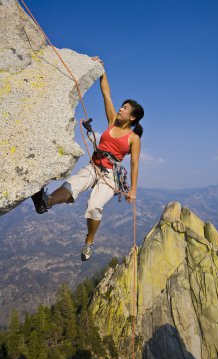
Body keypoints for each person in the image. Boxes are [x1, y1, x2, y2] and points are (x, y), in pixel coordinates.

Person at [32, 56, 144, 261]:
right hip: (94, 165)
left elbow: (135, 163)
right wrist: (101, 69)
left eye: (125, 108)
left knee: (94, 206)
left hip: (110, 174)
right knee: (72, 185)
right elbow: (106, 93)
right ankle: (45, 202)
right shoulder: (112, 122)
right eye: (122, 106)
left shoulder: (134, 138)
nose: (120, 109)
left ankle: (89, 241)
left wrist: (133, 190)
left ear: (133, 117)